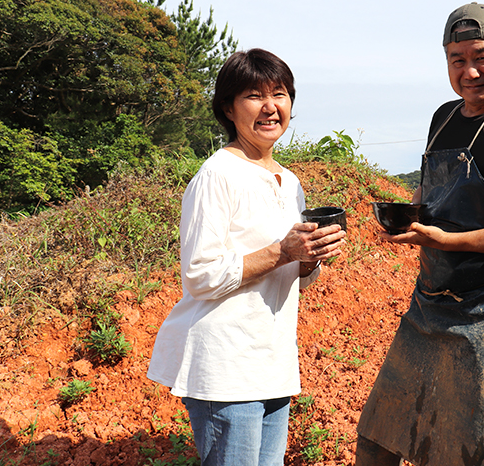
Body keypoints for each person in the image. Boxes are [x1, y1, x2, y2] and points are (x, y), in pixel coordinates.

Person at [355, 3, 484, 466]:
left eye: (481, 56)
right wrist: (409, 214)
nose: (470, 71)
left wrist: (445, 242)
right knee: (381, 432)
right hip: (432, 300)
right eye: (457, 59)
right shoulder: (443, 117)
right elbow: (434, 188)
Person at [147, 48, 345, 466]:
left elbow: (296, 276)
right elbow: (200, 276)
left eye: (280, 93)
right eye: (255, 96)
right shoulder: (217, 175)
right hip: (225, 364)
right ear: (228, 108)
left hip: (271, 361)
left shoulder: (290, 182)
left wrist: (309, 258)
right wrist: (281, 251)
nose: (271, 107)